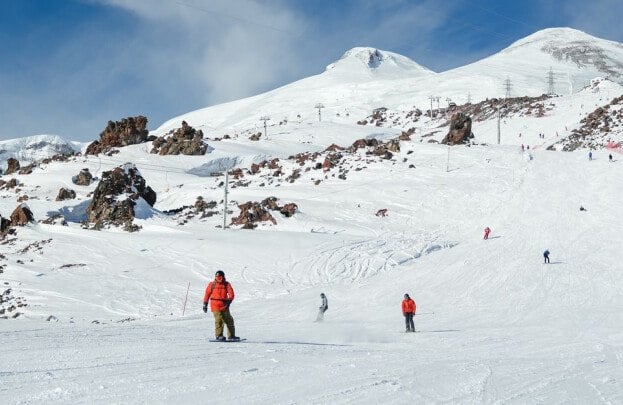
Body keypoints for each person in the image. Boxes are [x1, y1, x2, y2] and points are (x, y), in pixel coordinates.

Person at [203, 270, 239, 341]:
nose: (218, 278)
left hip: (224, 305)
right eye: (217, 277)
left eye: (220, 277)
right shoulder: (212, 284)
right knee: (219, 320)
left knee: (229, 320)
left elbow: (231, 294)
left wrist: (229, 301)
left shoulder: (226, 284)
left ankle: (231, 336)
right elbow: (207, 294)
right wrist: (205, 304)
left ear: (223, 277)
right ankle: (219, 335)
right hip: (215, 305)